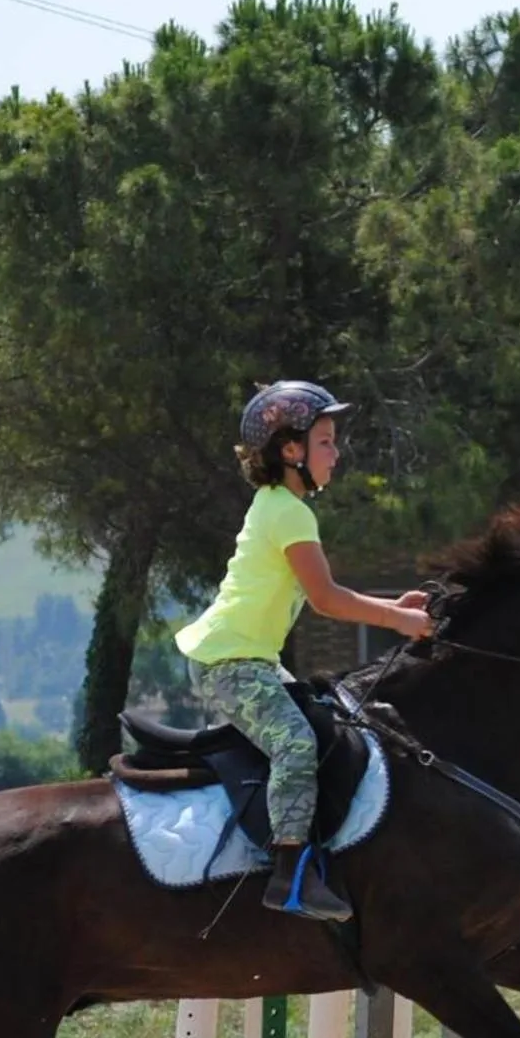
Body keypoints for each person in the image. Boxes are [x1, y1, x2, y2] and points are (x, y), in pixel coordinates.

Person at [174, 380, 433, 922]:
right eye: (326, 442)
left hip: (253, 661)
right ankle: (289, 878)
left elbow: (327, 593)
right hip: (228, 664)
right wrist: (400, 619)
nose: (336, 454)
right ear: (291, 450)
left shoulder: (281, 505)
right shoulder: (289, 513)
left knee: (330, 729)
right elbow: (327, 599)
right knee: (295, 744)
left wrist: (393, 606)